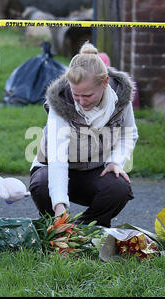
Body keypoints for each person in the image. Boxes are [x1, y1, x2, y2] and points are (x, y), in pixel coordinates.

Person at [29, 42, 138, 228]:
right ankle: (54, 228)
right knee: (41, 184)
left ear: (104, 83)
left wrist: (115, 161)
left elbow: (129, 134)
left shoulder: (121, 99)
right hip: (55, 167)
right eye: (76, 94)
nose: (80, 101)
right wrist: (59, 205)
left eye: (87, 95)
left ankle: (88, 228)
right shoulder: (61, 101)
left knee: (119, 187)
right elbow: (57, 156)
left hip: (95, 170)